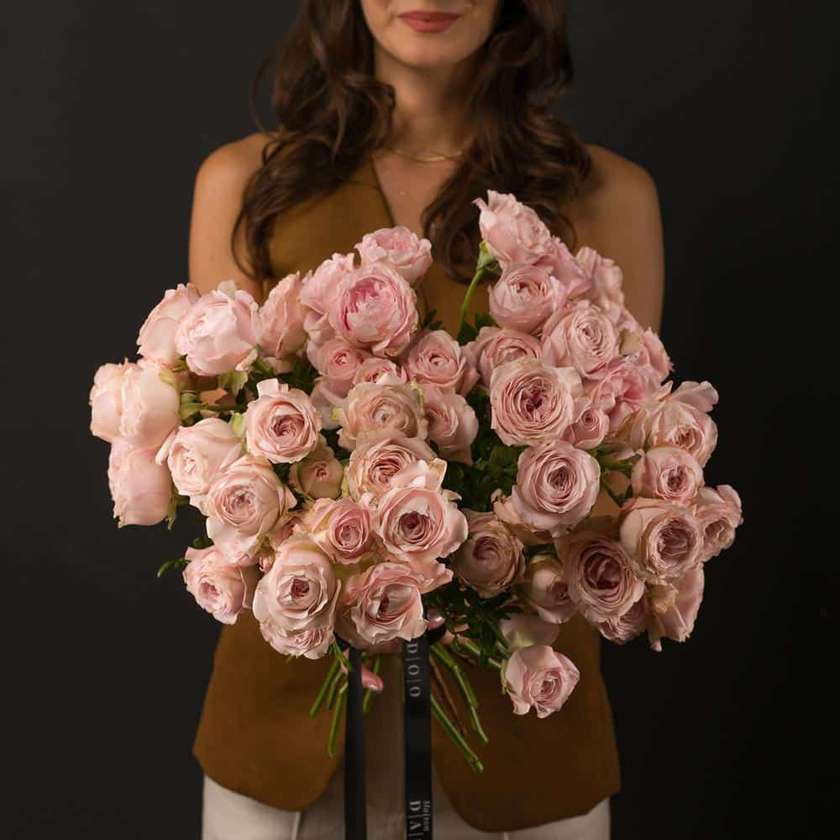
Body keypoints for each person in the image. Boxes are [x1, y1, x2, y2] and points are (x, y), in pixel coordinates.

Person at [188, 2, 664, 838]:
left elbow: (620, 483)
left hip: (524, 751)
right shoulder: (243, 186)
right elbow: (217, 460)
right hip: (282, 746)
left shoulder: (606, 198)